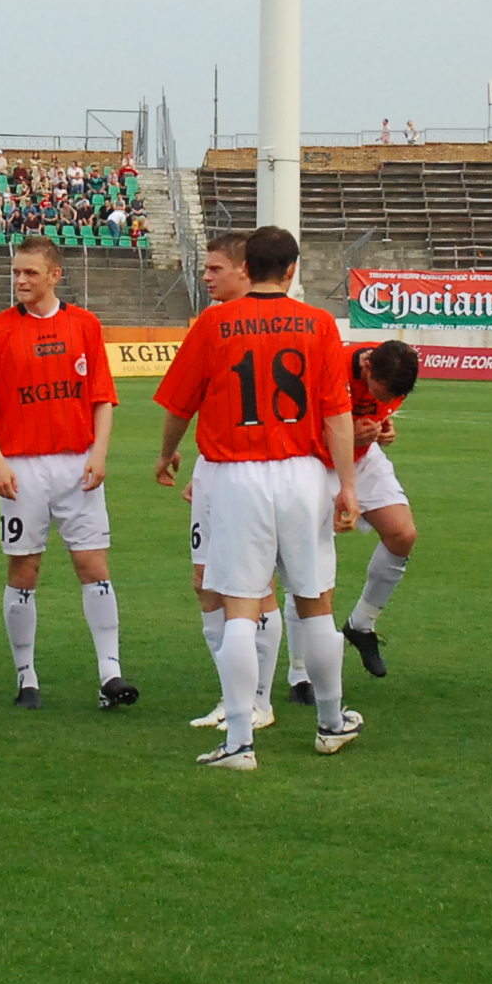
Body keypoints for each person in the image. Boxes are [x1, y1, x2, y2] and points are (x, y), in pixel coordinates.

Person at [153, 225, 360, 769]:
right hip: (302, 473)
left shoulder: (214, 323)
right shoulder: (319, 324)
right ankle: (331, 722)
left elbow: (179, 404)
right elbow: (337, 414)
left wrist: (167, 453)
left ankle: (240, 742)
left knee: (241, 609)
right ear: (292, 269)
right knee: (315, 603)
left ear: (247, 267)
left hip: (236, 474)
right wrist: (347, 485)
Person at [0, 234, 132, 711]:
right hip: (22, 467)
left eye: (30, 273)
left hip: (77, 464)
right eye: (16, 272)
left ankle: (110, 673)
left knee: (93, 564)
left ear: (55, 275)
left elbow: (102, 398)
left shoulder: (85, 325)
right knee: (24, 567)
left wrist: (99, 453)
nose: (20, 280)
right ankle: (27, 677)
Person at [179, 233, 283, 737]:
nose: (206, 276)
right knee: (206, 582)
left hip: (257, 473)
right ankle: (233, 696)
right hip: (217, 468)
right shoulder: (214, 323)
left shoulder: (275, 325)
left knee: (257, 587)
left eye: (215, 268)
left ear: (245, 270)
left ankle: (259, 700)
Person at [335, 338, 423, 678]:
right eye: (381, 392)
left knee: (402, 534)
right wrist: (346, 436)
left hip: (361, 457)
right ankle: (301, 672)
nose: (387, 401)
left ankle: (361, 624)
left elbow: (379, 412)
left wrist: (383, 429)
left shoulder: (396, 370)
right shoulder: (333, 365)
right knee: (311, 566)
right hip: (318, 460)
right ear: (366, 367)